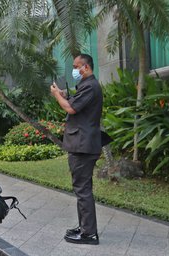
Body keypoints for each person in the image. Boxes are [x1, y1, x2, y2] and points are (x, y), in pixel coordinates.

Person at [50, 54, 103, 245]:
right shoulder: (87, 86)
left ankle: (89, 234)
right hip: (82, 144)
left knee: (82, 190)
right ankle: (85, 227)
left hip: (83, 146)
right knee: (82, 188)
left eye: (76, 66)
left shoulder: (90, 86)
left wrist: (57, 95)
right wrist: (64, 94)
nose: (74, 70)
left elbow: (70, 109)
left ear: (86, 68)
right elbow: (75, 103)